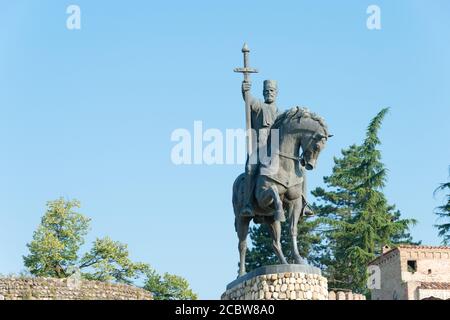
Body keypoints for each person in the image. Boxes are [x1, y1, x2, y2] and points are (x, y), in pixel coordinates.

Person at [240, 79, 279, 217]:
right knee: (250, 168)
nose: (269, 93)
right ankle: (247, 203)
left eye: (272, 91)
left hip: (276, 150)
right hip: (260, 148)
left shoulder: (281, 114)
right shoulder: (259, 106)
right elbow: (249, 100)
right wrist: (245, 89)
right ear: (263, 93)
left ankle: (303, 203)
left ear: (276, 93)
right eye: (267, 91)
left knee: (300, 169)